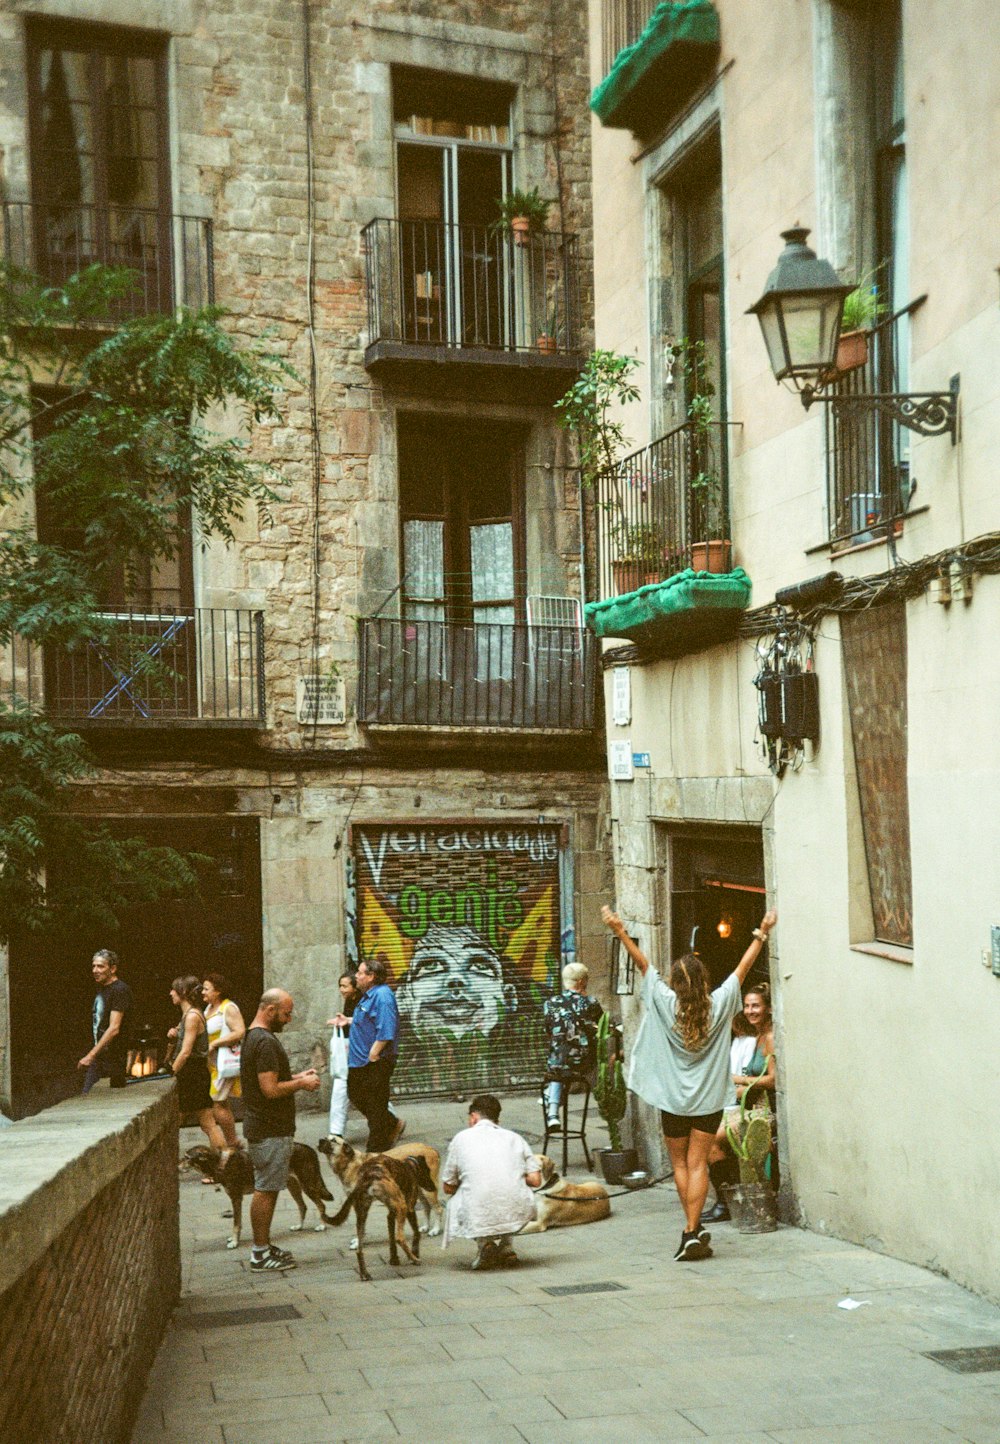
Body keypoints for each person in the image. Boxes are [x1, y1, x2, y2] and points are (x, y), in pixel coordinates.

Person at [602, 904, 777, 1262]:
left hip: (674, 1102)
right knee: (699, 1165)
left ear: (677, 984)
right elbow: (743, 968)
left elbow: (643, 965)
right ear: (704, 981)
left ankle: (691, 1229)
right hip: (709, 1102)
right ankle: (691, 1232)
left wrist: (620, 930)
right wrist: (762, 930)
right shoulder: (721, 1004)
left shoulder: (667, 1004)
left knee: (680, 1166)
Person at [240, 987, 321, 1272]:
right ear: (270, 1010)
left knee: (269, 1187)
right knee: (266, 1189)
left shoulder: (254, 1037)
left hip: (265, 1127)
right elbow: (270, 1090)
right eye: (286, 1013)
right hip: (269, 1128)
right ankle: (260, 1253)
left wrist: (297, 1076)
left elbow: (269, 1081)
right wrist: (301, 1084)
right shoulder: (265, 1043)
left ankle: (263, 1246)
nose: (289, 1019)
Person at [442, 1094, 541, 1270]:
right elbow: (535, 1180)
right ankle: (507, 1246)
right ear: (497, 1119)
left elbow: (448, 1187)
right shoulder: (515, 1138)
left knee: (457, 1198)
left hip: (478, 1209)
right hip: (517, 1208)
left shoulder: (461, 1139)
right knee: (511, 1189)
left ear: (473, 1117)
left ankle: (484, 1244)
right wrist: (513, 1174)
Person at [336, 958, 404, 1152]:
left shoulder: (382, 996)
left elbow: (386, 1030)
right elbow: (367, 1020)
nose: (356, 976)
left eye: (360, 973)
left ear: (371, 976)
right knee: (356, 1093)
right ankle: (391, 1123)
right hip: (359, 1062)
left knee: (375, 1107)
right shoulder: (368, 995)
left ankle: (376, 1152)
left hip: (374, 1062)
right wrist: (347, 1020)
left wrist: (374, 1054)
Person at [169, 976, 229, 1152]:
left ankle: (223, 1162)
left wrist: (171, 1072)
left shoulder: (192, 1016)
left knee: (198, 1123)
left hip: (192, 1074)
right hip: (195, 1073)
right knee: (207, 1123)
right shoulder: (190, 1014)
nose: (171, 993)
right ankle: (223, 1162)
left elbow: (186, 1051)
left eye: (174, 989)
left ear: (183, 993)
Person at [542, 962, 603, 1130]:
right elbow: (602, 1027)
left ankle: (552, 1108)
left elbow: (548, 1030)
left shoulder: (551, 1002)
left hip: (556, 1063)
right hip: (582, 1062)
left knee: (559, 1064)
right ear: (582, 981)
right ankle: (550, 1103)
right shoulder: (590, 1002)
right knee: (569, 1065)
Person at [78, 949, 133, 1092]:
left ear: (113, 968)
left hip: (113, 1060)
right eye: (93, 966)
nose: (95, 970)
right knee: (87, 1096)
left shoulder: (120, 990)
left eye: (101, 966)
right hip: (100, 1057)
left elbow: (114, 1028)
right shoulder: (102, 989)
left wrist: (90, 1055)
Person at [203, 973, 246, 1151]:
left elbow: (240, 1031)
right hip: (213, 1063)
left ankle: (232, 1144)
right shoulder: (208, 1008)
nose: (202, 992)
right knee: (220, 1103)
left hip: (224, 1062)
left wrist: (216, 1043)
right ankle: (232, 1142)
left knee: (218, 1102)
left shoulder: (228, 1008)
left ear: (218, 991)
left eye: (206, 989)